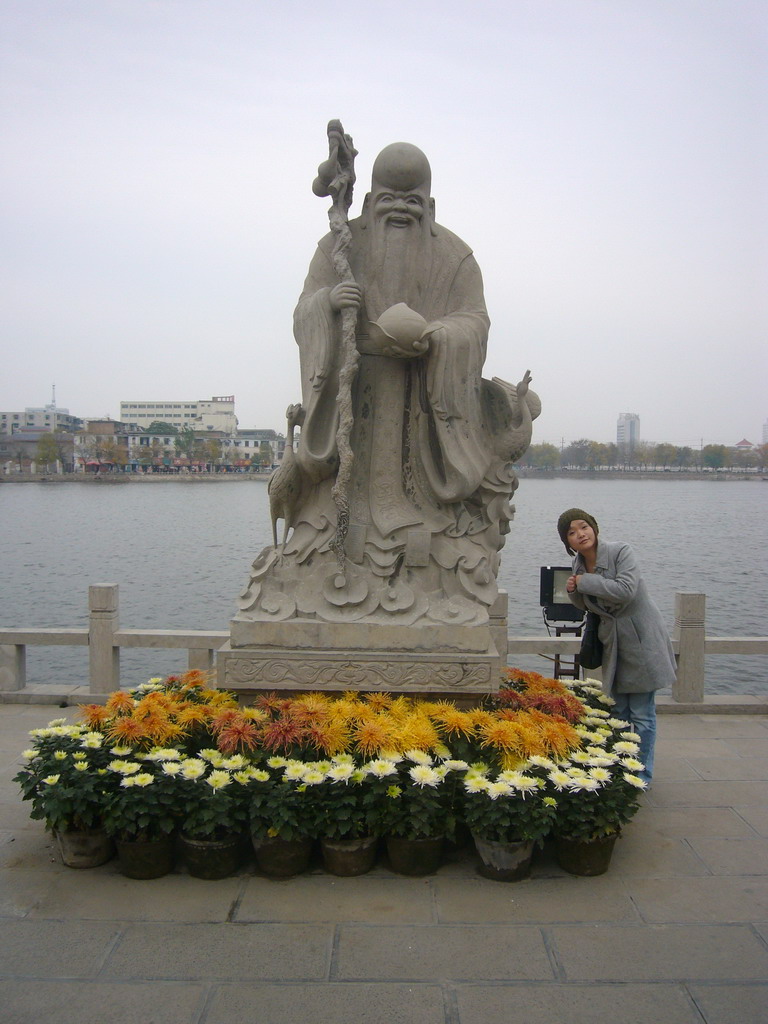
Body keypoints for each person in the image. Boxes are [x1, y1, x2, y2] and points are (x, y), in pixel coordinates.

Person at [238, 141, 539, 628]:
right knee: (338, 499)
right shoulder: (339, 245)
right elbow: (303, 310)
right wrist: (331, 302)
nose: (400, 209)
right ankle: (328, 543)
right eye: (388, 200)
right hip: (355, 391)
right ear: (368, 199)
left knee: (424, 506)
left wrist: (436, 338)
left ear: (431, 205)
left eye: (412, 201)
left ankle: (428, 548)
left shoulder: (456, 256)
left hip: (423, 398)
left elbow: (475, 321)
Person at [557, 508, 676, 783]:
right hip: (613, 641)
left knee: (642, 713)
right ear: (567, 542)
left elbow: (625, 590)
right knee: (619, 711)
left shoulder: (621, 552)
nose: (580, 535)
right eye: (571, 533)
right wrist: (574, 592)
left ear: (594, 528)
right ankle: (620, 770)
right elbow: (588, 605)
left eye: (583, 527)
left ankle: (641, 774)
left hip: (640, 637)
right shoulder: (577, 565)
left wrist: (585, 582)